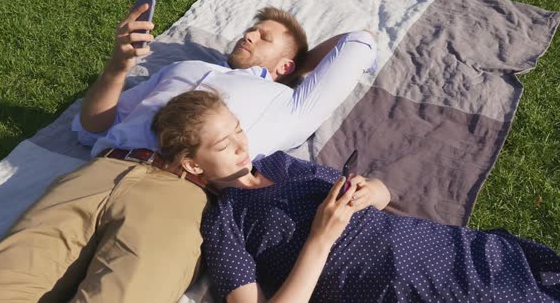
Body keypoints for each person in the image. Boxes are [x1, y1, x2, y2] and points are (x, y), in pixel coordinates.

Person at [0, 4, 377, 302]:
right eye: (251, 28)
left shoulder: (288, 103)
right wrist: (118, 66)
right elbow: (90, 127)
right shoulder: (179, 69)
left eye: (264, 36)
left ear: (286, 64)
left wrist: (297, 66)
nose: (249, 35)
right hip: (100, 171)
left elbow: (359, 41)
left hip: (181, 193)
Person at [151, 90, 560, 303]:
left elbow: (379, 199)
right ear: (193, 165)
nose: (241, 144)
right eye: (223, 144)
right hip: (405, 289)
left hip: (449, 249)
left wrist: (372, 191)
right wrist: (320, 238)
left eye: (238, 128)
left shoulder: (283, 164)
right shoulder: (225, 223)